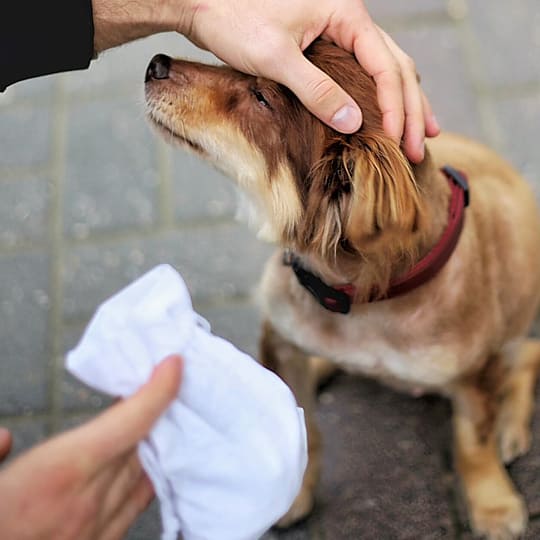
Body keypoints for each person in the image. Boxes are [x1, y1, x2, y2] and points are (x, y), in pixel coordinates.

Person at [0, 1, 440, 538]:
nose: (177, 71)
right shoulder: (299, 268)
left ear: (340, 191)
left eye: (257, 99)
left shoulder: (378, 218)